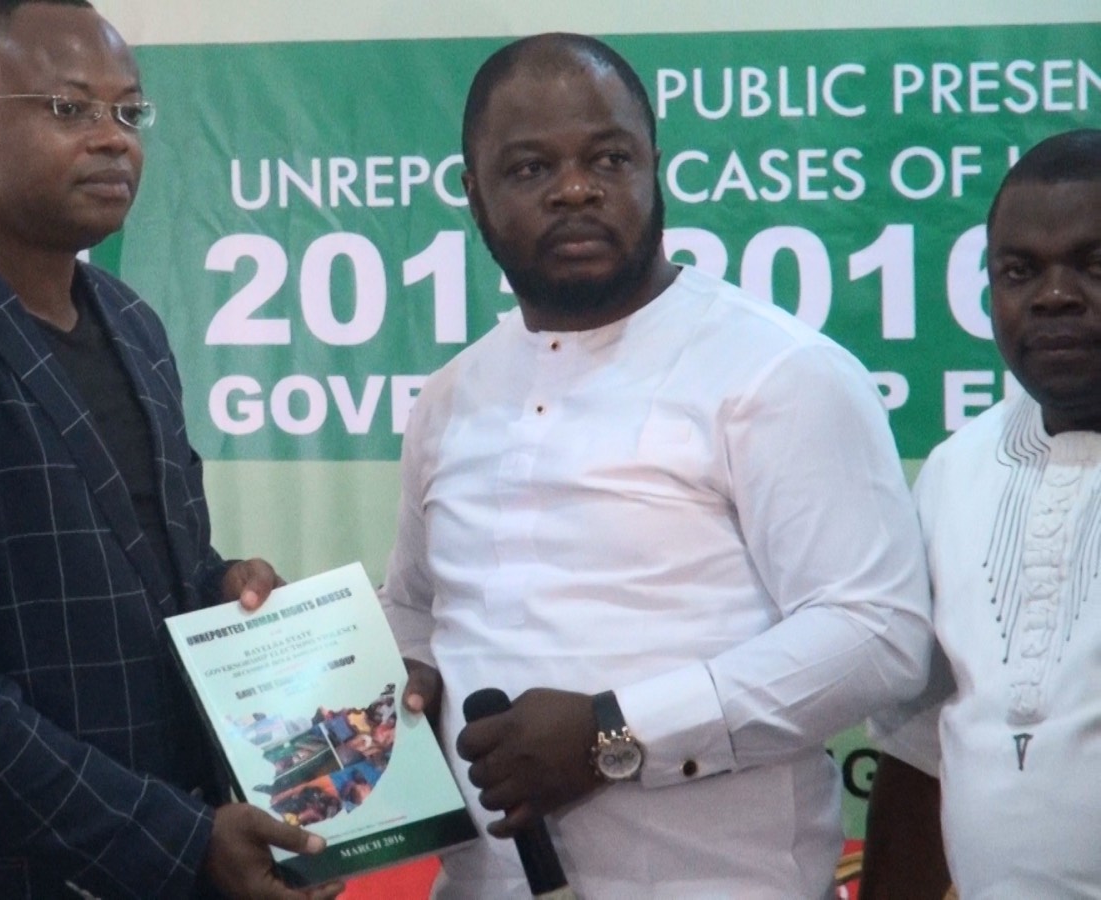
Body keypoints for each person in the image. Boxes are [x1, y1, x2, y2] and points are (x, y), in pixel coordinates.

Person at [0, 2, 337, 897]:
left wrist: (228, 590)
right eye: (69, 108)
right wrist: (177, 839)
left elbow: (159, 571)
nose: (112, 140)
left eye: (129, 113)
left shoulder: (133, 324)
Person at [380, 33, 934, 898]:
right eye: (530, 169)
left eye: (609, 157)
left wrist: (616, 733)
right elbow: (416, 607)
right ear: (472, 193)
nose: (576, 189)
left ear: (655, 168)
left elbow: (876, 634)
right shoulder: (452, 397)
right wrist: (403, 681)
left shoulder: (777, 372)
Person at [861, 129, 1101, 900]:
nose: (1055, 295)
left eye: (1093, 263)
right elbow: (916, 750)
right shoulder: (954, 471)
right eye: (1018, 270)